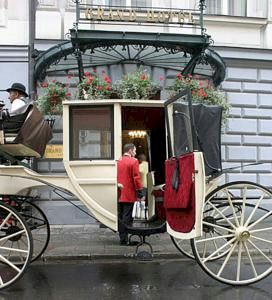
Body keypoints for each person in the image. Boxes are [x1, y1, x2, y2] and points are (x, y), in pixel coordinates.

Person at [117, 143, 145, 245]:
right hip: (128, 194)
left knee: (120, 216)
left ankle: (122, 238)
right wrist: (140, 191)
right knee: (127, 217)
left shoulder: (118, 161)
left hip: (118, 193)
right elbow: (136, 178)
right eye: (135, 150)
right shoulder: (134, 161)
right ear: (130, 150)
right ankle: (125, 239)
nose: (135, 152)